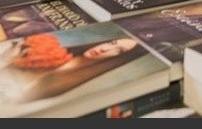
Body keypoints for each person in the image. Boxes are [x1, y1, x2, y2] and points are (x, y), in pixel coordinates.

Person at [7, 34, 144, 102]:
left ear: (118, 60)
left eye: (119, 50)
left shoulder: (80, 86)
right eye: (112, 42)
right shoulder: (49, 49)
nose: (105, 48)